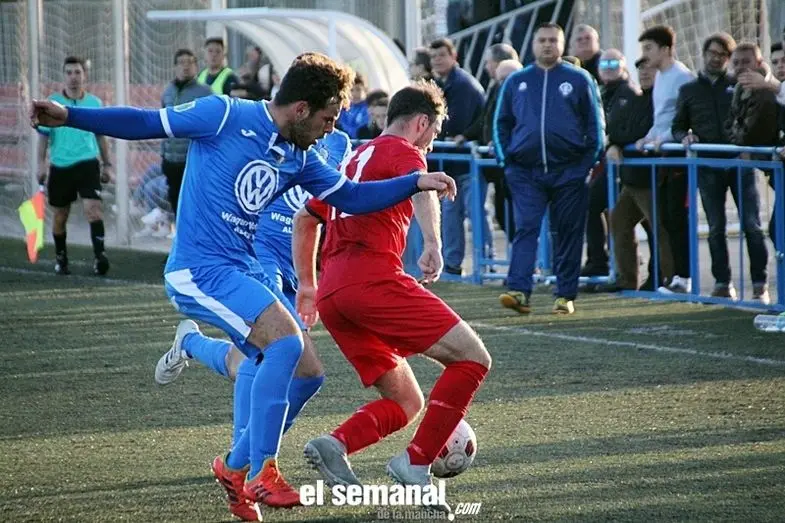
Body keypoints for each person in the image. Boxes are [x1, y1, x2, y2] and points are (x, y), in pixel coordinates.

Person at [30, 52, 455, 519]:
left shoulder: (300, 156)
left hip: (240, 268)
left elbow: (351, 197)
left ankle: (234, 466)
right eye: (328, 118)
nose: (332, 129)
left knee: (307, 373)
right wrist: (70, 116)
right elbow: (145, 121)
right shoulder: (223, 114)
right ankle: (261, 471)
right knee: (285, 345)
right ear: (301, 110)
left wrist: (415, 182)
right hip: (199, 269)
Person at [291, 83, 490, 513]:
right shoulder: (403, 150)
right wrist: (433, 243)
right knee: (473, 359)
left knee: (407, 400)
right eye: (433, 133)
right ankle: (415, 464)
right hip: (371, 280)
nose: (430, 143)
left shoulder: (353, 158)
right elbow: (423, 187)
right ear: (421, 123)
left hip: (333, 295)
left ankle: (335, 444)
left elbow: (305, 218)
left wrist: (307, 285)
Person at [154, 129, 352, 521]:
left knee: (253, 362)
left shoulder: (340, 144)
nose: (327, 122)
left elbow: (338, 202)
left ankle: (191, 345)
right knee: (287, 363)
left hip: (292, 264)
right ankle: (244, 468)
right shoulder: (268, 136)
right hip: (259, 257)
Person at [494, 22, 605, 315]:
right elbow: (500, 123)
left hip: (569, 171)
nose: (547, 45)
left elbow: (595, 126)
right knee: (525, 229)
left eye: (553, 40)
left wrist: (585, 165)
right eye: (542, 40)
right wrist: (507, 162)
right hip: (526, 172)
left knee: (568, 232)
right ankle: (519, 291)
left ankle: (565, 296)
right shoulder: (517, 81)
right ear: (533, 44)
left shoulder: (580, 79)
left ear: (562, 44)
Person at [37, 56, 113, 276]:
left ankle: (100, 257)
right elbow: (43, 137)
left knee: (93, 210)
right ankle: (61, 258)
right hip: (60, 166)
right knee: (60, 216)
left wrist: (107, 164)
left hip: (88, 163)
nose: (73, 77)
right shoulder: (52, 103)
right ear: (63, 76)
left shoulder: (94, 103)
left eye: (77, 72)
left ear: (84, 75)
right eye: (69, 72)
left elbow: (101, 136)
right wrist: (40, 164)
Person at [635, 25, 695, 294]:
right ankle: (677, 277)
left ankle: (686, 277)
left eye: (649, 48)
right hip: (663, 156)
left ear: (666, 49)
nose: (645, 54)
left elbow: (683, 119)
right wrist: (648, 137)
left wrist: (667, 137)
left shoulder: (682, 76)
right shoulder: (660, 77)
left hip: (678, 157)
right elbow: (661, 118)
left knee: (677, 217)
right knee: (667, 218)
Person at [608, 58, 672, 290]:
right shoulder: (634, 99)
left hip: (653, 178)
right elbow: (616, 129)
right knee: (619, 222)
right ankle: (627, 280)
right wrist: (613, 143)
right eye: (641, 69)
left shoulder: (663, 101)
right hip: (633, 179)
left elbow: (642, 132)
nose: (645, 73)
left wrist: (620, 140)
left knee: (661, 230)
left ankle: (670, 280)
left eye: (650, 68)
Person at [429, 37, 488, 276]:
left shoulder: (463, 84)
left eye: (442, 55)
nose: (437, 60)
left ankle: (485, 261)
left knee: (475, 214)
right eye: (433, 57)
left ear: (454, 57)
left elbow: (455, 124)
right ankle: (452, 264)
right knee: (451, 214)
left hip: (467, 163)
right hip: (451, 163)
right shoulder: (438, 83)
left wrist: (456, 135)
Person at [161, 49, 212, 224]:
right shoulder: (167, 91)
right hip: (171, 161)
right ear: (175, 67)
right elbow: (163, 124)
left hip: (194, 160)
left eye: (190, 62)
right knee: (176, 203)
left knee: (195, 204)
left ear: (196, 66)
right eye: (181, 62)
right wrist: (164, 153)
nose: (186, 66)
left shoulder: (206, 93)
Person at [336, 73, 369, 138]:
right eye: (351, 90)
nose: (354, 94)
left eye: (358, 89)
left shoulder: (368, 108)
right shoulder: (343, 108)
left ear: (365, 90)